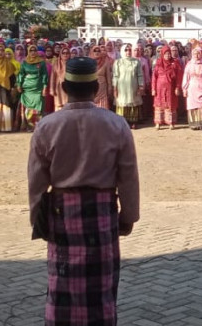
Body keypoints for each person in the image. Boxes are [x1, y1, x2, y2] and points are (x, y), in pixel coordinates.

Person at [28, 56, 140, 326]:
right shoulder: (116, 124)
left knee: (62, 281)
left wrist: (37, 220)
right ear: (95, 88)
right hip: (101, 212)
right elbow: (128, 176)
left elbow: (36, 181)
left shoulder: (47, 126)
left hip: (61, 212)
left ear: (64, 88)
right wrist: (129, 216)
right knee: (101, 284)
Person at [15, 45, 48, 131]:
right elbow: (21, 74)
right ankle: (29, 126)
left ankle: (38, 126)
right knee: (28, 108)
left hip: (38, 88)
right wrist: (19, 85)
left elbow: (44, 75)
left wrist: (45, 87)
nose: (33, 52)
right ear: (28, 52)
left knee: (38, 107)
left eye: (34, 50)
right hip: (27, 89)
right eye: (31, 51)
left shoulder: (41, 62)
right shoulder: (24, 62)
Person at [112, 44, 144, 129]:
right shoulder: (118, 62)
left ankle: (133, 122)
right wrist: (115, 88)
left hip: (133, 85)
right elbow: (115, 76)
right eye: (126, 50)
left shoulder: (136, 62)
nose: (128, 52)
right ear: (122, 51)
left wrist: (140, 86)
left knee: (133, 101)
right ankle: (122, 122)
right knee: (122, 102)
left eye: (129, 50)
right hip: (121, 87)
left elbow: (140, 75)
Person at [151, 45, 183, 130]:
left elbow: (179, 77)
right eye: (166, 54)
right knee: (159, 105)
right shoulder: (158, 64)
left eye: (169, 54)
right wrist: (153, 89)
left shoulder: (175, 64)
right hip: (159, 88)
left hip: (171, 89)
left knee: (170, 105)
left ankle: (171, 123)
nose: (168, 55)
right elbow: (154, 77)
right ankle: (158, 123)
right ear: (162, 54)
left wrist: (177, 87)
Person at [182, 47, 202, 130]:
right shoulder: (189, 64)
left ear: (201, 54)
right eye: (194, 53)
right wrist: (184, 88)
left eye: (198, 53)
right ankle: (194, 124)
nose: (196, 55)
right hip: (191, 88)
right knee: (192, 105)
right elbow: (186, 77)